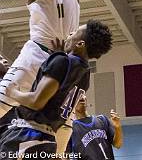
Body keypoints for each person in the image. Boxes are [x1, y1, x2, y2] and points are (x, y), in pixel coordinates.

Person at [0, 20, 113, 158]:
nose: (70, 33)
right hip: (49, 140)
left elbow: (37, 101)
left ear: (80, 44)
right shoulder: (85, 74)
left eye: (75, 32)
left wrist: (13, 93)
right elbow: (60, 92)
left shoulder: (62, 61)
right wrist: (61, 55)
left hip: (27, 134)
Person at [66, 94, 123, 159]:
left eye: (82, 94)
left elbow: (118, 145)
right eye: (77, 95)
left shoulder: (102, 119)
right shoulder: (70, 129)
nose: (81, 96)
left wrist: (117, 127)